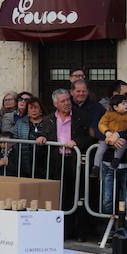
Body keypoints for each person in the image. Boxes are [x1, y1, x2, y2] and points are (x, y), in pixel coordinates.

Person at [36, 89, 94, 238]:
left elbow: (91, 138)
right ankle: (63, 232)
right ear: (55, 104)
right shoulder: (48, 120)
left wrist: (77, 142)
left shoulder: (81, 117)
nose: (67, 103)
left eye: (68, 99)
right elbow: (41, 134)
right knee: (60, 196)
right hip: (57, 161)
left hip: (76, 161)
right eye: (63, 101)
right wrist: (41, 137)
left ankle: (81, 232)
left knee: (78, 196)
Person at [92, 94, 127, 178]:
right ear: (115, 107)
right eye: (123, 103)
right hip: (109, 136)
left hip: (121, 138)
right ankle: (96, 166)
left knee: (123, 143)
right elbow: (102, 123)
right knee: (101, 148)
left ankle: (116, 160)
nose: (126, 105)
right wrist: (106, 132)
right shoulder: (108, 114)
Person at [13, 96, 48, 178]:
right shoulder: (20, 123)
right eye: (31, 108)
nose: (34, 110)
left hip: (44, 160)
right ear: (27, 110)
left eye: (36, 108)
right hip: (26, 160)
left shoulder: (48, 121)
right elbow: (15, 141)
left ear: (41, 110)